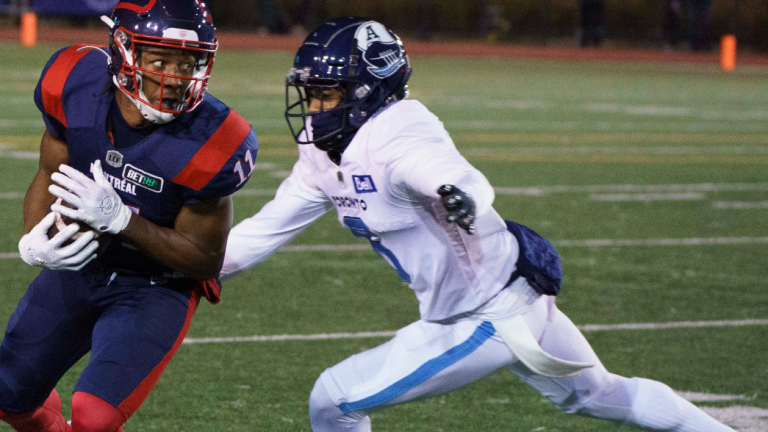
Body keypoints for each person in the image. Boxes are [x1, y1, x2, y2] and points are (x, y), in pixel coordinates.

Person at [221, 17, 734, 432]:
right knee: (600, 393)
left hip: (488, 315)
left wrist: (458, 196)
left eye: (326, 96)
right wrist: (178, 266)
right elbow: (256, 236)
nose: (312, 111)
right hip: (501, 299)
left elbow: (453, 176)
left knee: (332, 401)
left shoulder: (397, 130)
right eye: (310, 95)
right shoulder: (322, 155)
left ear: (367, 93)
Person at [0, 1, 258, 431]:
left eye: (190, 63)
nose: (177, 79)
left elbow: (203, 260)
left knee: (94, 417)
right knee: (9, 395)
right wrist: (33, 239)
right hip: (83, 265)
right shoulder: (75, 82)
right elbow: (50, 168)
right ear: (124, 51)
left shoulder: (216, 137)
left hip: (155, 285)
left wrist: (123, 221)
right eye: (161, 60)